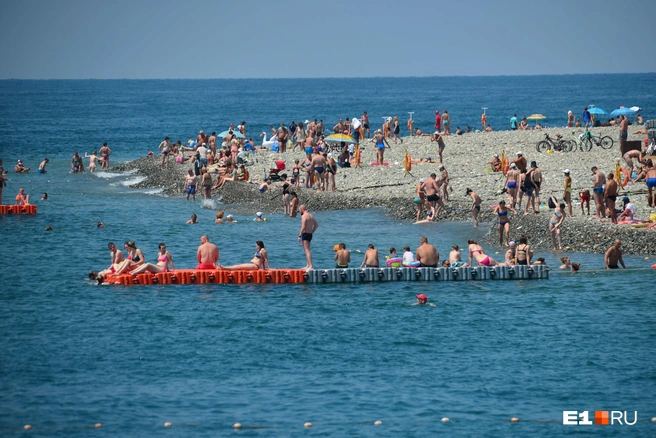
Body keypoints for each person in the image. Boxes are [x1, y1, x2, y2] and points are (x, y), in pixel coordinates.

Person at [298, 205, 318, 270]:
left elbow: (303, 226)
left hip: (305, 234)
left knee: (307, 250)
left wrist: (299, 235)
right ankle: (308, 265)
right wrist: (312, 231)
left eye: (300, 210)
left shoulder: (304, 216)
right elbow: (316, 225)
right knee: (307, 250)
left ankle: (311, 266)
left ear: (302, 209)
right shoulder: (311, 216)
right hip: (309, 234)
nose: (299, 212)